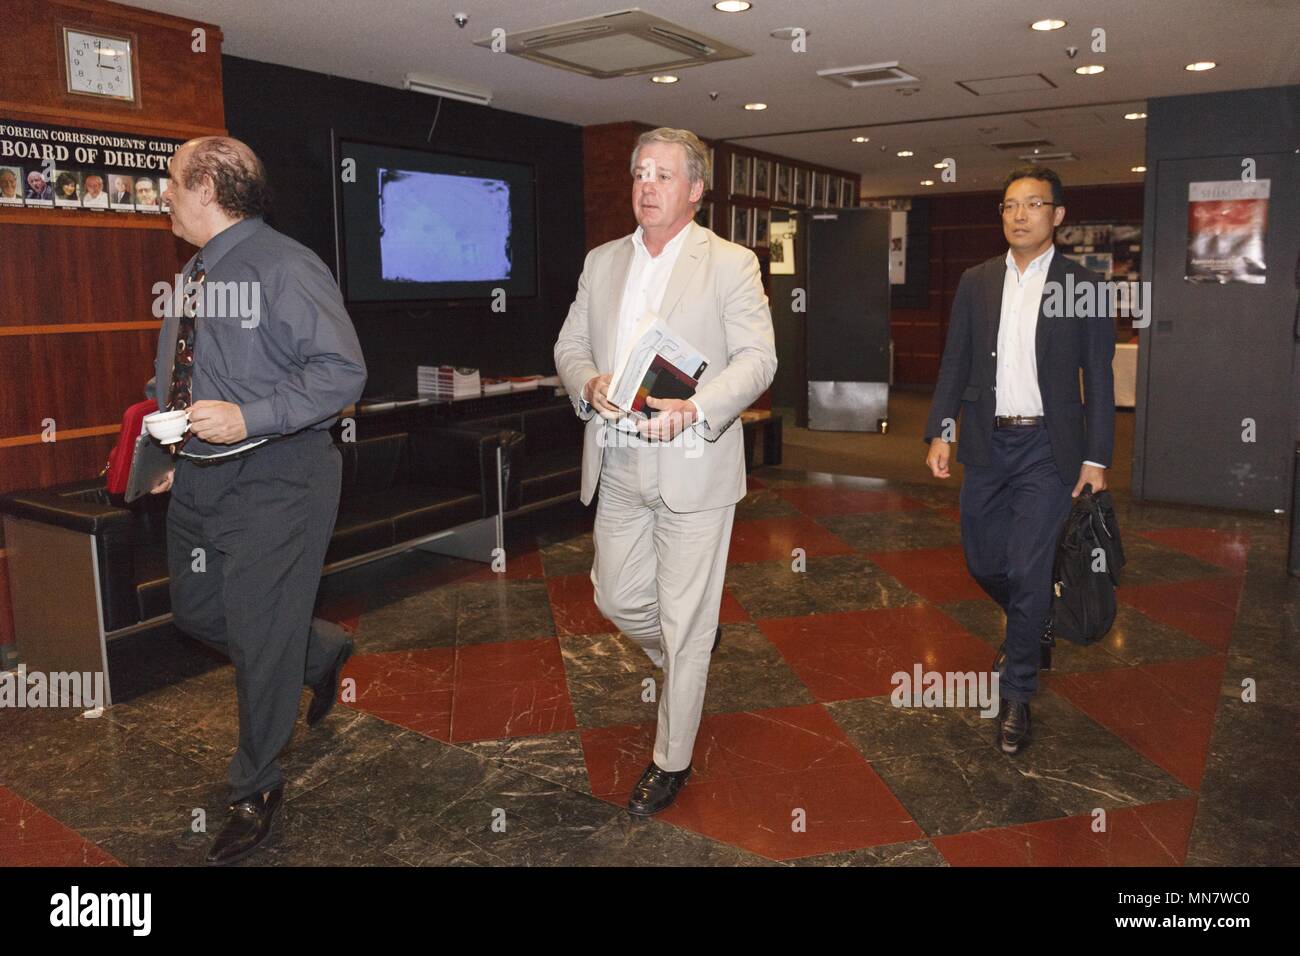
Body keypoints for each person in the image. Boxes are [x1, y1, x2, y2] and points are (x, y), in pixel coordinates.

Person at [146, 136, 367, 864]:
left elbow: (341, 373)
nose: (164, 194)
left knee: (260, 636)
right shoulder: (192, 275)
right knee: (200, 610)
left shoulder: (286, 266)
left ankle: (256, 787)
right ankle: (321, 648)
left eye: (173, 181)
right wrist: (172, 452)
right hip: (203, 475)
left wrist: (250, 417)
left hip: (280, 475)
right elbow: (180, 379)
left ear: (207, 186)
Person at [554, 127, 777, 815]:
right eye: (639, 173)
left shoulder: (731, 263)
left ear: (695, 190)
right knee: (615, 597)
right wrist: (588, 380)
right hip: (618, 454)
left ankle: (670, 758)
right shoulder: (601, 262)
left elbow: (758, 360)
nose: (646, 186)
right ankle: (687, 656)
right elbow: (568, 344)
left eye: (663, 175)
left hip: (694, 461)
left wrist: (697, 409)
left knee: (685, 619)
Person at [923, 166, 1115, 755]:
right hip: (985, 442)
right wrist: (941, 431)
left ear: (1057, 215)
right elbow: (954, 363)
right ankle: (1035, 621)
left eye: (1033, 204)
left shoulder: (1082, 284)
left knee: (1030, 570)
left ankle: (1017, 693)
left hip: (1046, 450)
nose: (1019, 215)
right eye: (1009, 206)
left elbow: (1099, 379)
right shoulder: (977, 281)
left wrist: (1096, 458)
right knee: (983, 559)